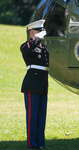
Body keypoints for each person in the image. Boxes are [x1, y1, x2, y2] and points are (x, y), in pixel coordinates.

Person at [20, 19, 49, 149]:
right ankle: (32, 145)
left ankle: (40, 144)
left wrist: (38, 39)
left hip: (42, 85)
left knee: (42, 116)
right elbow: (27, 50)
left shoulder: (43, 47)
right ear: (32, 33)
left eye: (42, 31)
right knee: (32, 116)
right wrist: (36, 39)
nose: (42, 33)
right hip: (32, 84)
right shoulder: (26, 46)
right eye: (39, 31)